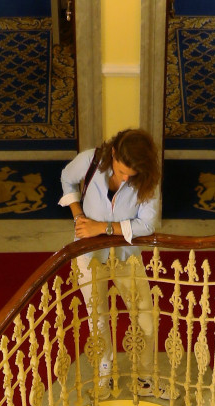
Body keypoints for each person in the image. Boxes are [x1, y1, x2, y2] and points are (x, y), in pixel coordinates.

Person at [59, 129, 161, 385]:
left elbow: (148, 225)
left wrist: (102, 228)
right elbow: (66, 178)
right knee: (98, 317)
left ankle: (146, 375)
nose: (125, 177)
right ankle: (106, 371)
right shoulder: (90, 160)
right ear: (113, 153)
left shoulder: (148, 179)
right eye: (121, 170)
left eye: (131, 174)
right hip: (89, 255)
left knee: (146, 317)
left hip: (127, 257)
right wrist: (77, 215)